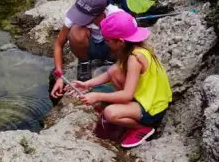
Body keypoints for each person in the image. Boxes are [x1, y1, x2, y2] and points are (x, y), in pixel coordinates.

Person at [70, 11, 172, 149]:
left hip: (152, 109)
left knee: (110, 113)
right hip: (148, 98)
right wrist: (86, 84)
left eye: (107, 40)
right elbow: (110, 73)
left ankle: (142, 127)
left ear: (120, 41)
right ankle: (128, 110)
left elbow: (127, 95)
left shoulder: (134, 59)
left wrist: (96, 96)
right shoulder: (136, 49)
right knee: (113, 70)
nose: (106, 43)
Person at [49, 0, 117, 100]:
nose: (80, 18)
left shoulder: (116, 16)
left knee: (115, 33)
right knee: (75, 31)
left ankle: (110, 62)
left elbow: (128, 45)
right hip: (89, 48)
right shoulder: (73, 16)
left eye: (85, 16)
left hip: (110, 48)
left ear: (101, 13)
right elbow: (58, 44)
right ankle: (84, 63)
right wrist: (59, 77)